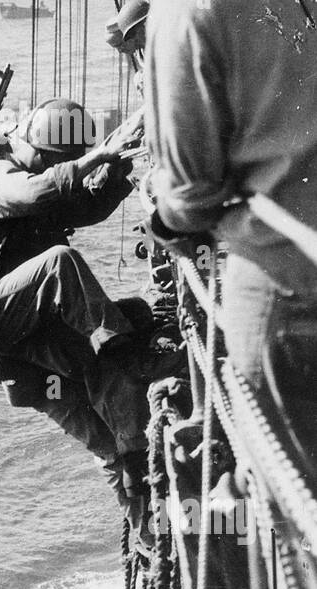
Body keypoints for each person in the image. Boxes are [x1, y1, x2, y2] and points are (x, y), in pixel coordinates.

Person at [0, 98, 159, 512]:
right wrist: (96, 156)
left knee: (110, 437)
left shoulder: (39, 173)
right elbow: (35, 193)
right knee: (62, 262)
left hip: (25, 354)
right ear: (38, 151)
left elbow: (87, 206)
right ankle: (122, 351)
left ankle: (142, 516)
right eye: (57, 162)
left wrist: (114, 169)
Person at [145, 0, 317, 473]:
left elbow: (191, 196)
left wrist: (162, 210)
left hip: (290, 294)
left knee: (295, 525)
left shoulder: (187, 11)